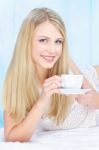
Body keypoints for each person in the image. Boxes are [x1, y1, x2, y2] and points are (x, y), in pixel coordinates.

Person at [3, 7, 99, 142]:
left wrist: (90, 98)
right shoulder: (17, 84)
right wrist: (41, 102)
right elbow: (12, 136)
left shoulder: (67, 68)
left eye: (58, 41)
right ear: (26, 42)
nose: (52, 49)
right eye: (43, 40)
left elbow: (96, 100)